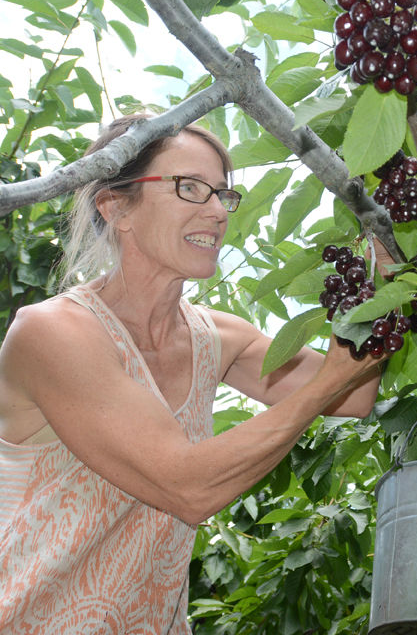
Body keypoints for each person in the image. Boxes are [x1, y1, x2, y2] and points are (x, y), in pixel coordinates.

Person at [0, 115, 386, 633]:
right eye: (190, 188)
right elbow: (188, 487)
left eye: (223, 195)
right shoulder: (52, 332)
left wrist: (386, 281)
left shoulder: (218, 339)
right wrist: (332, 376)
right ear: (116, 207)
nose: (216, 212)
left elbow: (353, 397)